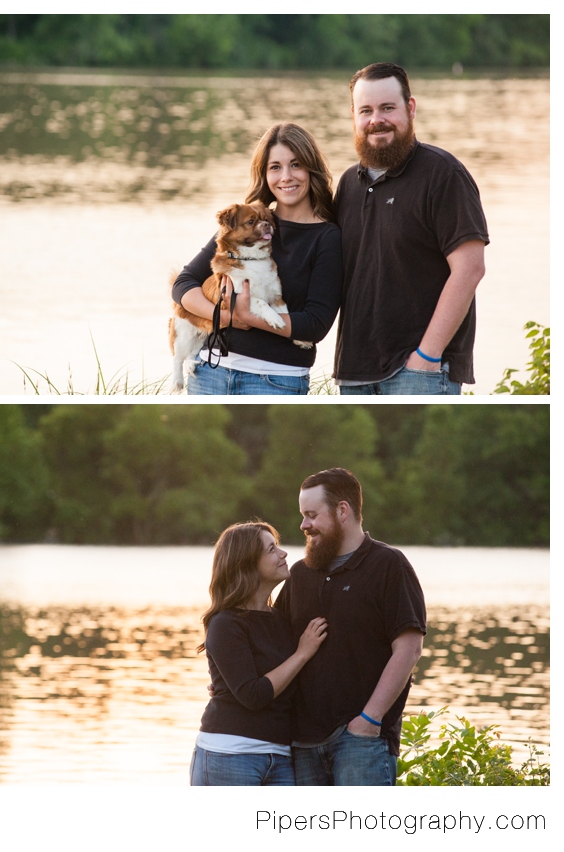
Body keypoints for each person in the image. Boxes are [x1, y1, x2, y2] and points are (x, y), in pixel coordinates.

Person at [333, 62, 490, 395]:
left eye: (388, 108)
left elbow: (470, 269)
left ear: (410, 107)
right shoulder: (348, 184)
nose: (377, 120)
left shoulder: (443, 175)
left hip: (418, 374)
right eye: (366, 110)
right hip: (354, 373)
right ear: (354, 116)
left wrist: (426, 356)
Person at [275, 468, 426, 786]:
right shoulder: (300, 574)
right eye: (303, 516)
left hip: (361, 742)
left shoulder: (389, 566)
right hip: (302, 745)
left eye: (311, 515)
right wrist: (236, 679)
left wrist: (369, 720)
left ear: (342, 510)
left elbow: (409, 648)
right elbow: (274, 642)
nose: (304, 525)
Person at [172, 123, 343, 395]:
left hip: (276, 380)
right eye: (275, 167)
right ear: (264, 174)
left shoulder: (327, 237)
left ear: (311, 168)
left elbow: (315, 324)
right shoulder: (246, 224)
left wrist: (250, 317)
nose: (286, 176)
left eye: (295, 164)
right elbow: (183, 285)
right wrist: (227, 318)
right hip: (210, 373)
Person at [190, 521, 327, 786]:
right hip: (229, 755)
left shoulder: (281, 619)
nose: (283, 554)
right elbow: (253, 695)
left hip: (280, 756)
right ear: (246, 562)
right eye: (271, 549)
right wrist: (301, 653)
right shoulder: (225, 623)